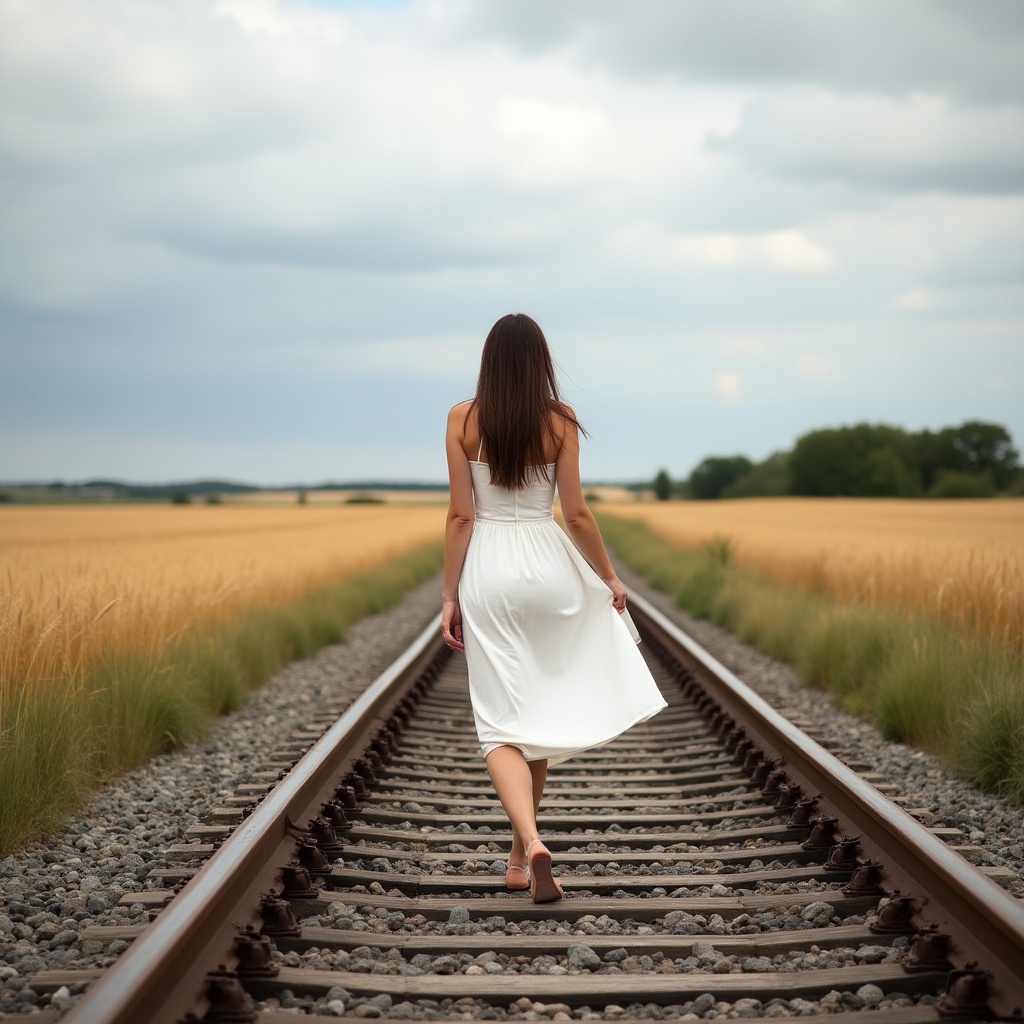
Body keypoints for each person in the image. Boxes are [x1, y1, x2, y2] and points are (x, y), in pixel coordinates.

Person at [441, 313, 667, 903]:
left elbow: (462, 515)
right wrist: (610, 578)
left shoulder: (462, 419)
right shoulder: (560, 422)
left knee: (500, 724)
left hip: (489, 570)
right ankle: (521, 858)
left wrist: (448, 594)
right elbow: (578, 513)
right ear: (540, 360)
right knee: (534, 717)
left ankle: (533, 841)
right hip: (549, 568)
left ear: (489, 360)